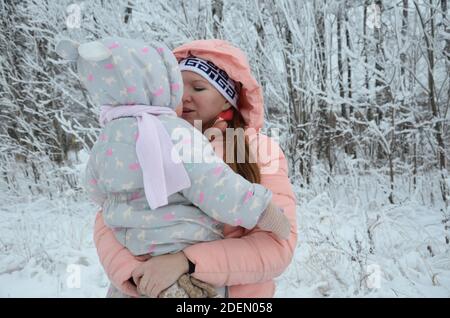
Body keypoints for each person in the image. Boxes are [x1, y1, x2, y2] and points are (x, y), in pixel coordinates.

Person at [56, 37, 290, 297]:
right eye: (179, 87)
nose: (185, 97)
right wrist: (137, 275)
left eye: (199, 88)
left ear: (227, 100)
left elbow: (277, 246)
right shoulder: (144, 139)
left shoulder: (259, 149)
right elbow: (108, 217)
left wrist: (186, 262)